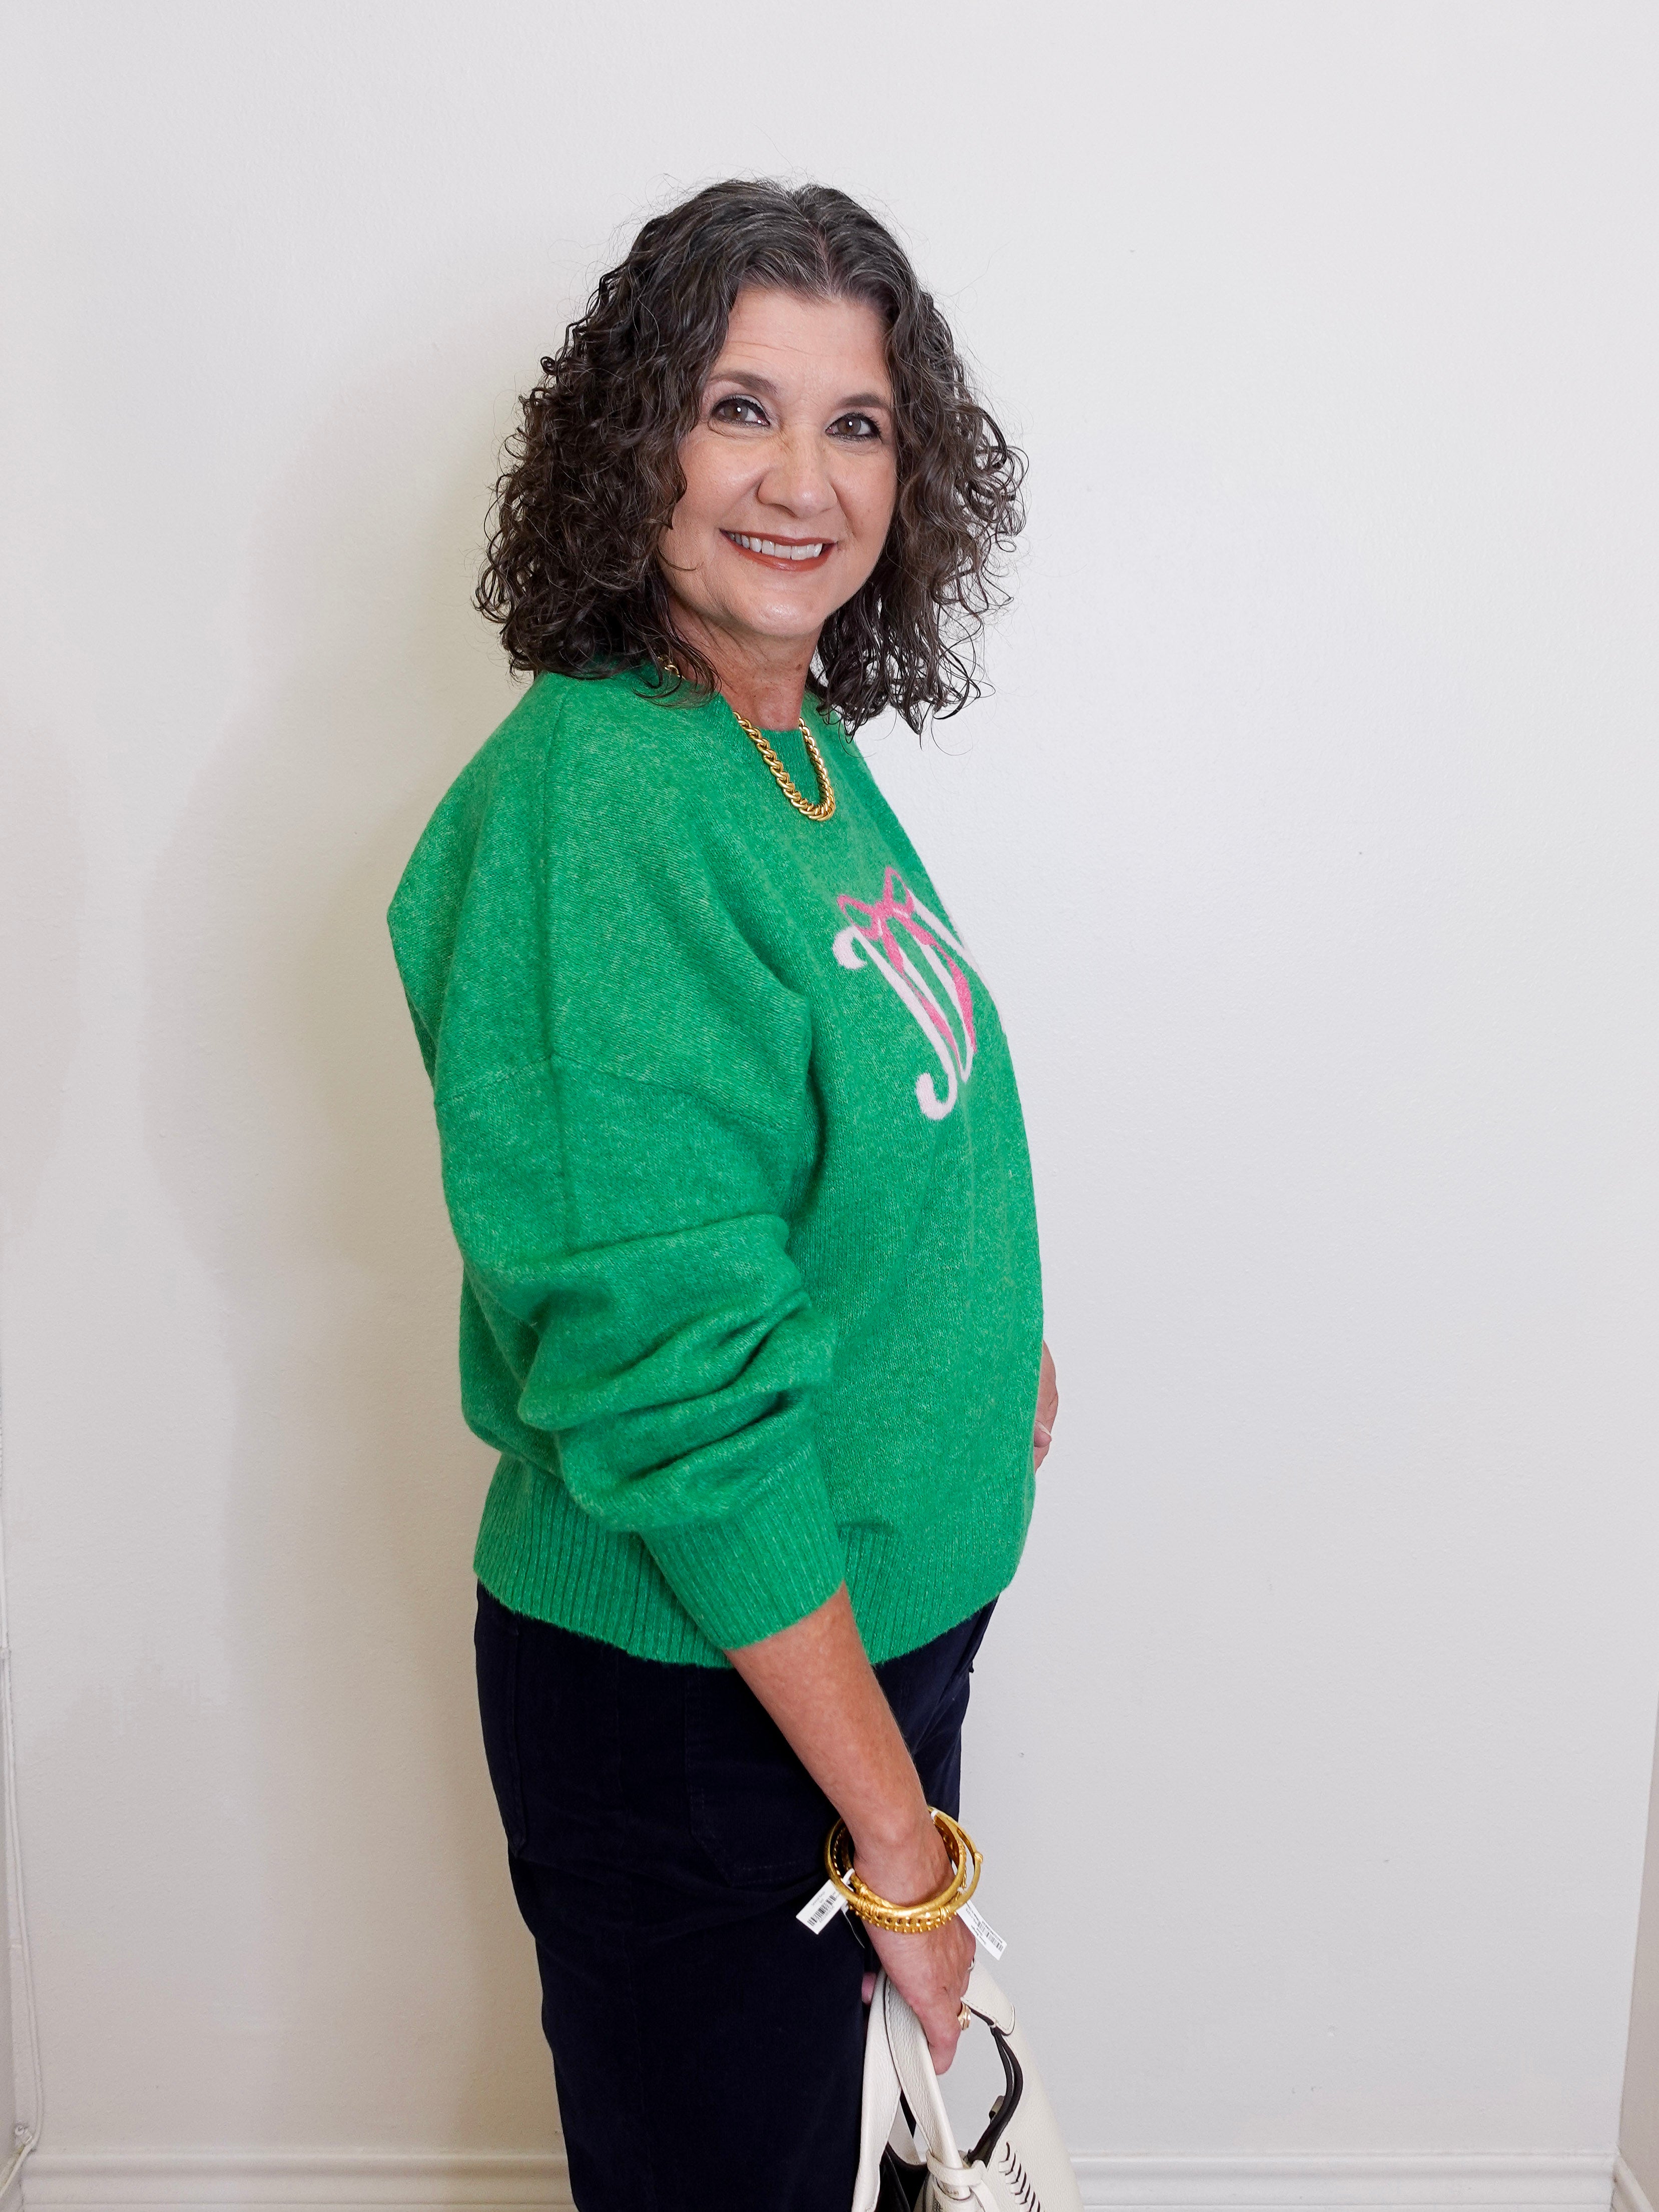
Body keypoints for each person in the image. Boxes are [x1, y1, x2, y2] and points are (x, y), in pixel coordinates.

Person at [388, 178, 1059, 2212]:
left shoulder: (782, 738)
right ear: (633, 444)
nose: (801, 480)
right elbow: (670, 1383)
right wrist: (901, 1849)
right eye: (735, 407)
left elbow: (851, 1131)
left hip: (843, 1658)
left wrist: (983, 1327)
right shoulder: (600, 811)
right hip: (709, 1716)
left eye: (853, 422)